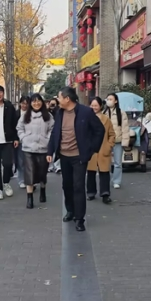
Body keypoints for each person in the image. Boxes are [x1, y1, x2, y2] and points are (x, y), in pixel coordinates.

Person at [47, 87, 105, 232]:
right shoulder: (59, 113)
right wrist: (50, 151)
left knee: (78, 187)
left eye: (59, 97)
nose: (57, 100)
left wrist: (92, 149)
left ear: (67, 99)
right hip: (64, 156)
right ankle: (70, 211)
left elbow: (99, 130)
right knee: (67, 185)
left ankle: (79, 219)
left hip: (79, 156)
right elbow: (55, 133)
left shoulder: (86, 112)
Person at [17, 93, 54, 209]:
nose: (36, 103)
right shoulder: (25, 116)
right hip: (28, 148)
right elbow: (19, 128)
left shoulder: (48, 116)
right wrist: (24, 138)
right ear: (30, 103)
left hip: (43, 148)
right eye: (34, 101)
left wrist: (47, 140)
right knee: (29, 173)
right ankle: (30, 198)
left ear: (42, 102)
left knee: (42, 172)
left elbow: (52, 129)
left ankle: (43, 189)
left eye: (38, 101)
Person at [86, 97, 116, 203]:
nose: (94, 107)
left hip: (104, 149)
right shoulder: (86, 118)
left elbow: (112, 134)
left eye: (96, 105)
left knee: (104, 173)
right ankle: (91, 192)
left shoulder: (106, 119)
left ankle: (105, 194)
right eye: (92, 105)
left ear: (100, 106)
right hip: (91, 150)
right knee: (91, 172)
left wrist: (109, 146)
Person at [104, 93, 130, 189]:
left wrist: (125, 142)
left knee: (117, 163)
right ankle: (105, 180)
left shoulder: (121, 113)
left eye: (111, 99)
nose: (109, 101)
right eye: (108, 99)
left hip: (117, 141)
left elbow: (125, 129)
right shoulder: (104, 113)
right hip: (106, 141)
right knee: (105, 162)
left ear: (116, 101)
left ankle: (116, 181)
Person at [15, 95, 30, 189]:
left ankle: (29, 179)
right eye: (23, 103)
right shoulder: (16, 114)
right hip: (20, 141)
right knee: (20, 161)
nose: (24, 105)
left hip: (30, 141)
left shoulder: (32, 113)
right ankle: (21, 180)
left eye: (26, 103)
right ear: (20, 103)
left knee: (29, 161)